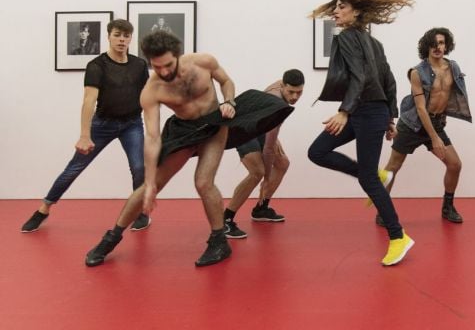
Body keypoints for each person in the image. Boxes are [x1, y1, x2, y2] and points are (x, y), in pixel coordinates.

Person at [83, 31, 294, 267]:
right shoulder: (152, 91)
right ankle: (111, 238)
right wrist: (151, 178)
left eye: (168, 64)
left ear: (178, 55)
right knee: (149, 186)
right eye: (157, 66)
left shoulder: (203, 62)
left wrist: (229, 101)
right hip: (184, 130)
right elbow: (152, 137)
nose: (163, 72)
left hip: (215, 124)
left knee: (203, 182)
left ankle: (218, 242)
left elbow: (226, 81)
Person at [307, 0, 416, 266]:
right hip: (368, 112)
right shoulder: (372, 42)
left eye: (341, 7)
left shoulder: (348, 38)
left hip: (364, 113)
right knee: (318, 151)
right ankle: (379, 176)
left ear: (356, 11)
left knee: (366, 179)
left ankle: (398, 236)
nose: (336, 11)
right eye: (336, 7)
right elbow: (388, 80)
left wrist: (345, 111)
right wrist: (389, 117)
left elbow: (362, 75)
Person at [22, 19, 151, 233]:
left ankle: (142, 212)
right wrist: (84, 135)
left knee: (139, 168)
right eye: (117, 34)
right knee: (75, 168)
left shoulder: (138, 65)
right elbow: (89, 101)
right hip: (103, 124)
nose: (121, 39)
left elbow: (147, 95)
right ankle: (43, 209)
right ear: (108, 36)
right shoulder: (97, 66)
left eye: (126, 36)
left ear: (131, 38)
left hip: (131, 124)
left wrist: (153, 126)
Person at [378, 27, 471, 225]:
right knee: (393, 166)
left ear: (447, 45)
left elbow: (451, 96)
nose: (437, 47)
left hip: (436, 123)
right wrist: (435, 139)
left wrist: (440, 127)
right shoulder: (417, 73)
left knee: (455, 165)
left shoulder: (453, 68)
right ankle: (382, 209)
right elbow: (420, 109)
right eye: (433, 43)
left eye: (441, 43)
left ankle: (448, 207)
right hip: (412, 124)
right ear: (426, 47)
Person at [223, 69, 305, 239]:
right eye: (291, 92)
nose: (295, 97)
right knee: (257, 173)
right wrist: (267, 179)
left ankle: (261, 209)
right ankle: (225, 221)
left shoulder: (279, 84)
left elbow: (270, 141)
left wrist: (272, 138)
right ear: (282, 86)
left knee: (282, 163)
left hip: (258, 126)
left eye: (299, 92)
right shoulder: (277, 106)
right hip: (240, 129)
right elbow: (268, 149)